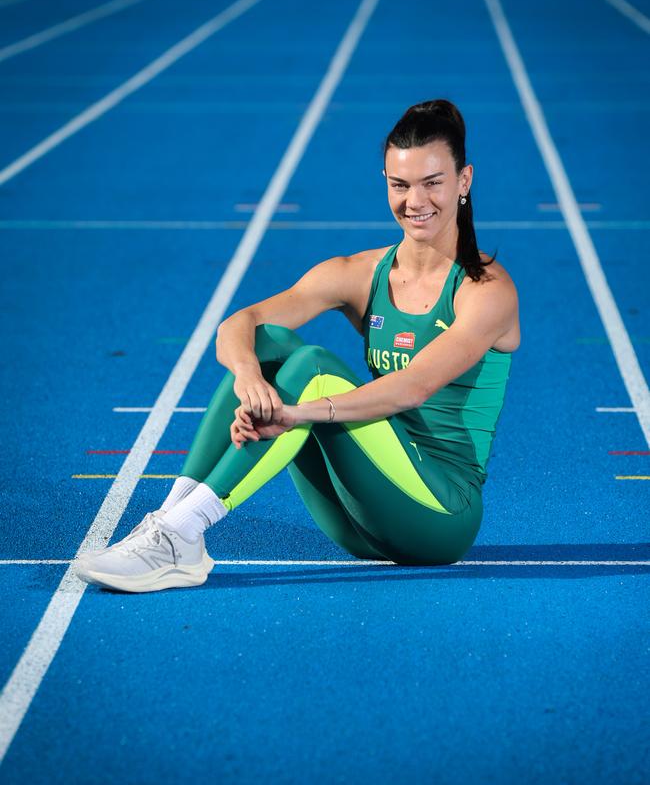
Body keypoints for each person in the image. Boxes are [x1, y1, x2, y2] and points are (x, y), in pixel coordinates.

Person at [75, 98, 520, 593]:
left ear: (463, 181)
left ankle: (183, 531)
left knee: (314, 366)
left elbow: (412, 388)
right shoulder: (358, 273)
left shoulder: (486, 291)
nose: (415, 201)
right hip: (359, 518)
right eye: (400, 184)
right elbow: (240, 324)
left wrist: (295, 415)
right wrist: (250, 379)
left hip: (439, 518)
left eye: (432, 182)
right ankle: (171, 524)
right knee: (267, 344)